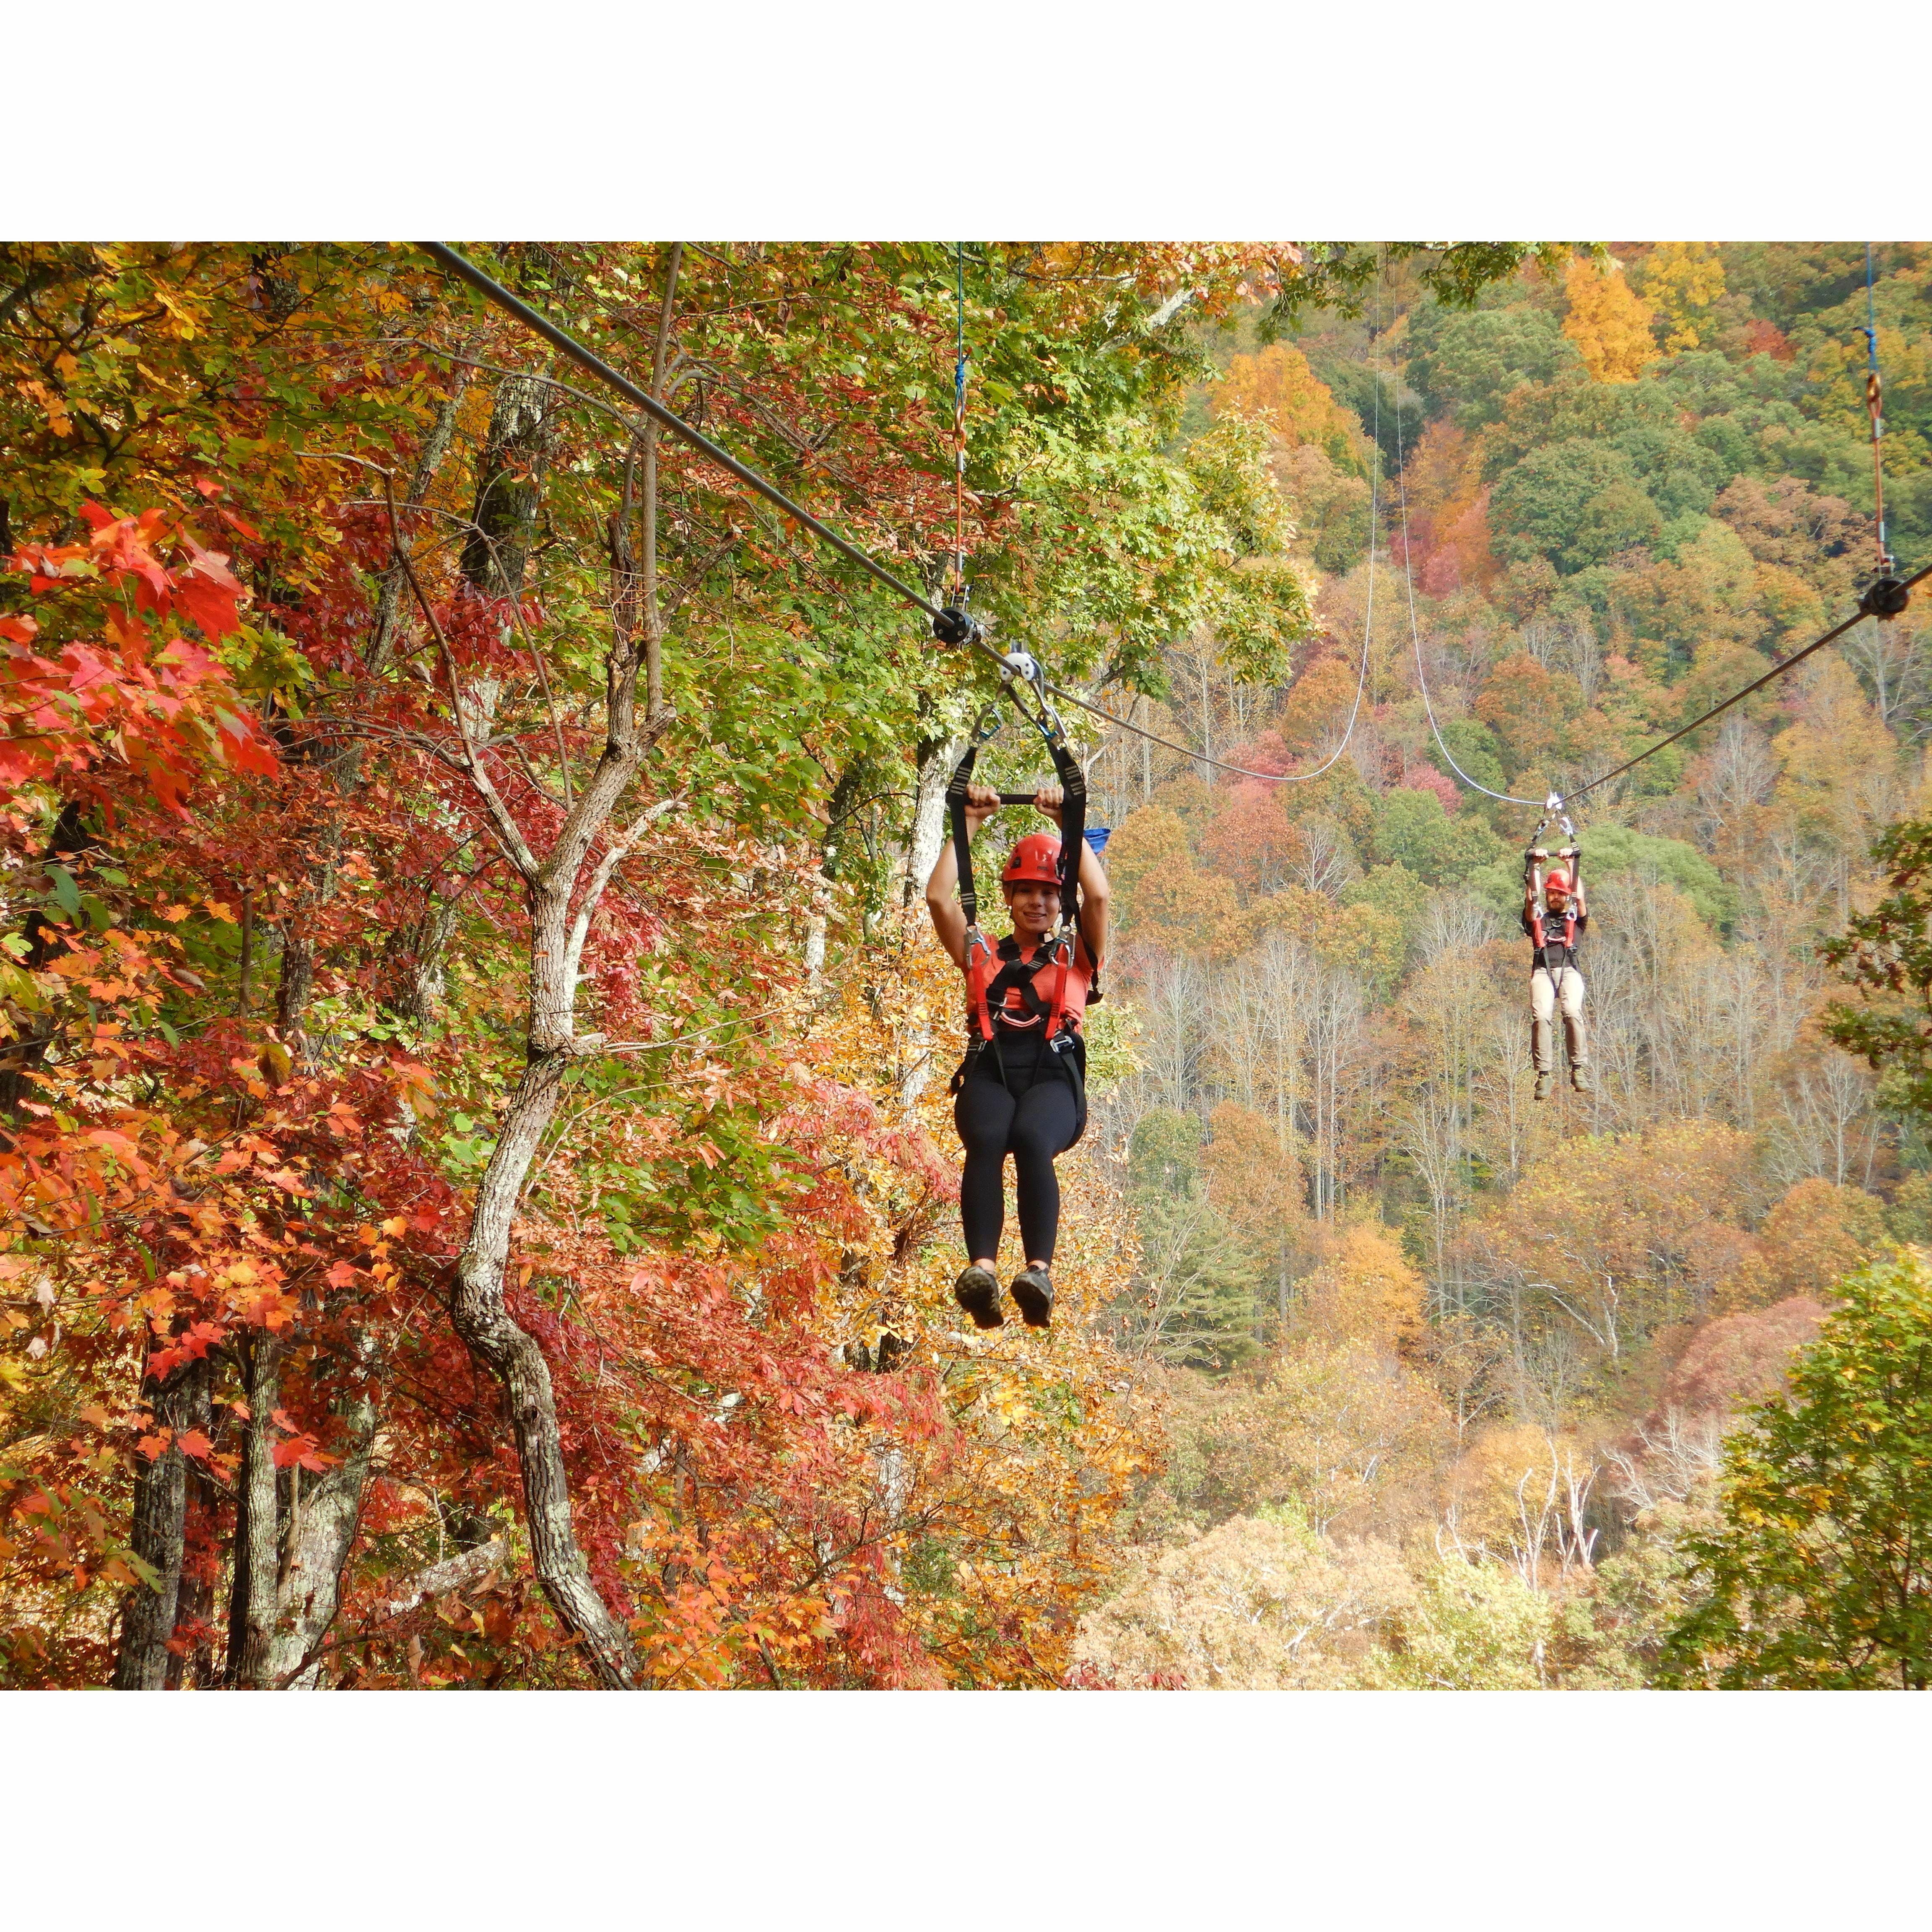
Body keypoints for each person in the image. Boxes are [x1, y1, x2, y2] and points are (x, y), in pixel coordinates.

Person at [924, 784, 1109, 1330]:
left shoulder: (1079, 953)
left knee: (1031, 1139)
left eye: (1050, 893)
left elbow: (1098, 899)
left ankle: (1037, 1274)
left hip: (1053, 1077)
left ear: (1063, 901)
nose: (1038, 902)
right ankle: (980, 1273)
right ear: (1007, 896)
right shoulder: (979, 950)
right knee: (986, 1137)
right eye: (1026, 890)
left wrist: (1072, 830)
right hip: (992, 1070)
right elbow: (938, 898)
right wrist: (971, 821)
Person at [1523, 847, 1592, 1100]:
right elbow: (1532, 900)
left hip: (1569, 970)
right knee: (1541, 1016)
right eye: (1551, 893)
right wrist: (1535, 867)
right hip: (1543, 970)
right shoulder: (1537, 919)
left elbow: (1581, 898)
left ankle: (1578, 1069)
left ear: (1566, 896)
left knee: (1572, 1011)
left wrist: (1571, 864)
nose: (1553, 898)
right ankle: (1544, 1074)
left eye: (1558, 894)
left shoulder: (1576, 918)